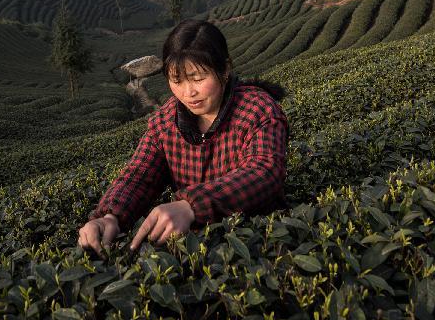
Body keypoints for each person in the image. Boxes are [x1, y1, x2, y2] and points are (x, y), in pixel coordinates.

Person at [78, 19, 289, 255]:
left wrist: (192, 206)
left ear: (225, 69)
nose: (189, 93)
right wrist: (110, 216)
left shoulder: (258, 109)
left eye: (198, 78)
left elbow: (264, 172)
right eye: (177, 81)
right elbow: (139, 175)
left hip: (259, 243)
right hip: (195, 251)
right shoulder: (166, 122)